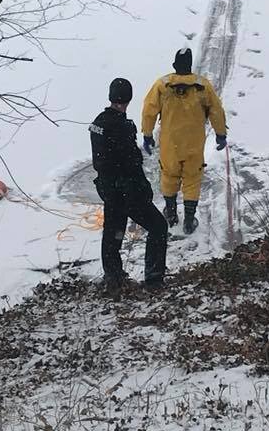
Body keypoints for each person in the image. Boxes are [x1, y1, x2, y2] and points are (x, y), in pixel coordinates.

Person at [89, 78, 168, 293]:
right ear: (129, 98)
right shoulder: (122, 127)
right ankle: (154, 280)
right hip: (126, 192)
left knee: (114, 233)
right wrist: (143, 189)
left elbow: (101, 161)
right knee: (159, 227)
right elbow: (131, 164)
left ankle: (113, 277)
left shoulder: (98, 123)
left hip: (109, 189)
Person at [141, 48, 227, 235]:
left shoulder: (162, 85)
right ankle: (189, 220)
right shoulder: (202, 86)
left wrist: (147, 135)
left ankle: (171, 214)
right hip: (194, 145)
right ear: (190, 66)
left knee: (169, 175)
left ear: (174, 65)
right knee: (192, 179)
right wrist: (221, 134)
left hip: (170, 144)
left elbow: (149, 110)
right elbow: (216, 111)